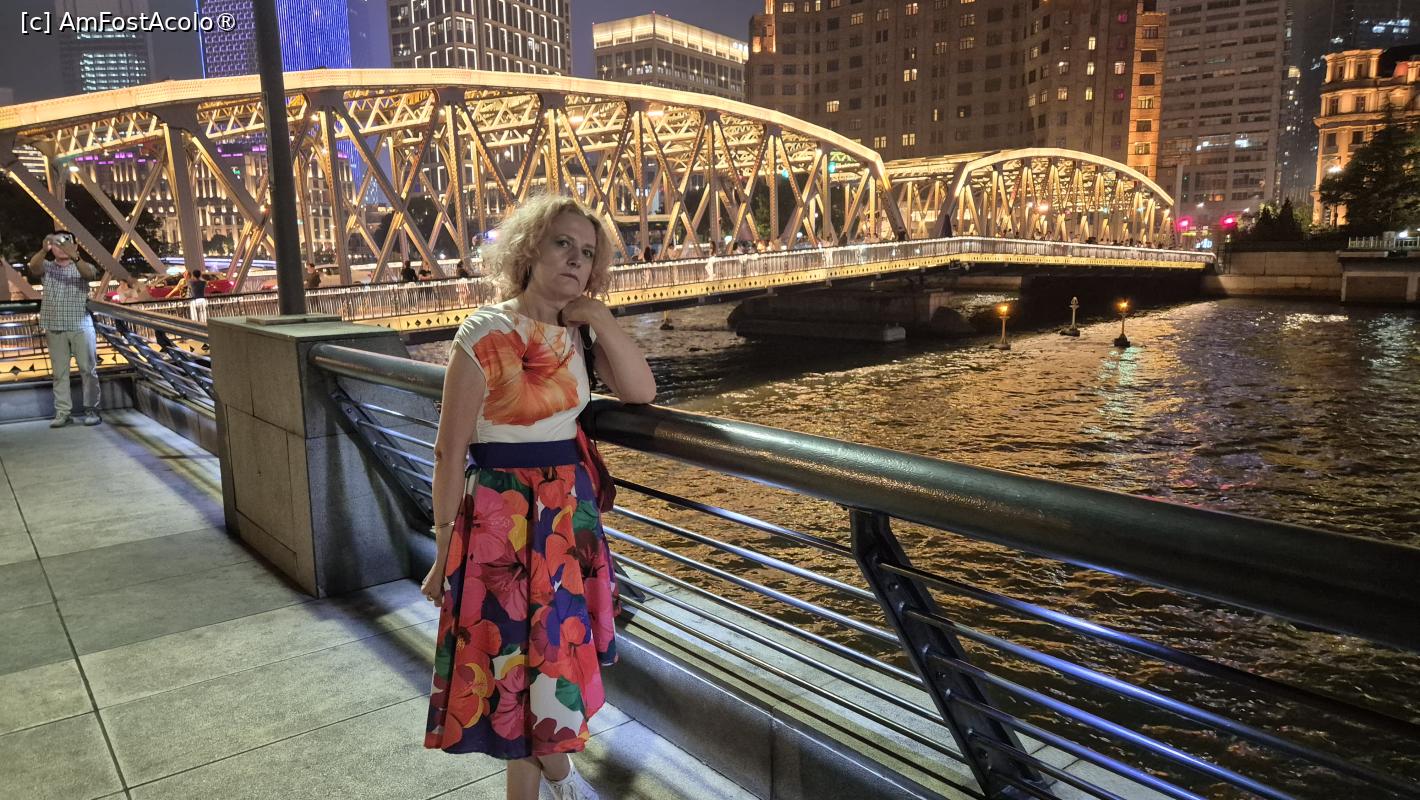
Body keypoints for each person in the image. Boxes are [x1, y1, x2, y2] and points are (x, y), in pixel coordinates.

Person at [421, 195, 656, 800]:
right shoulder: (485, 331)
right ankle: (560, 777)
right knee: (517, 667)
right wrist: (445, 547)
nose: (576, 259)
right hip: (502, 519)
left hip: (565, 518)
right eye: (562, 243)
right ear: (530, 250)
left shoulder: (578, 334)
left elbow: (640, 391)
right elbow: (449, 451)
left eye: (588, 252)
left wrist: (600, 318)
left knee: (544, 665)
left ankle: (559, 778)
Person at [30, 231, 101, 427]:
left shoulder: (83, 266)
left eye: (66, 242)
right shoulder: (47, 266)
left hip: (80, 324)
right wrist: (43, 250)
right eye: (56, 243)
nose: (61, 246)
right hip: (54, 325)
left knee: (88, 370)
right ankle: (62, 412)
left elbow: (89, 274)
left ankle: (92, 410)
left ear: (75, 246)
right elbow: (33, 267)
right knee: (59, 373)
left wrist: (74, 256)